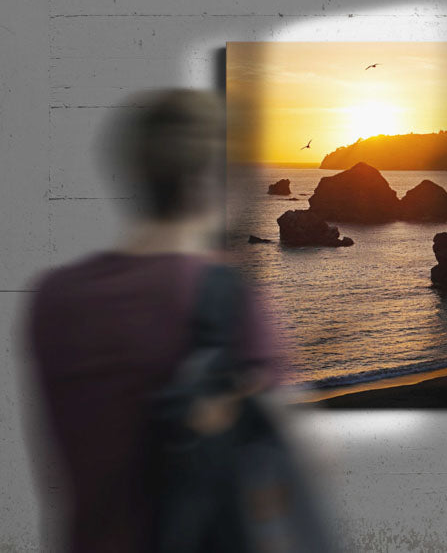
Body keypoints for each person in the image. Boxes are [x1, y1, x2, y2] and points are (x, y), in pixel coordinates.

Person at [23, 90, 279, 552]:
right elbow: (283, 477)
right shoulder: (226, 297)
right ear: (209, 180)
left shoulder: (53, 298)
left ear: (136, 173)